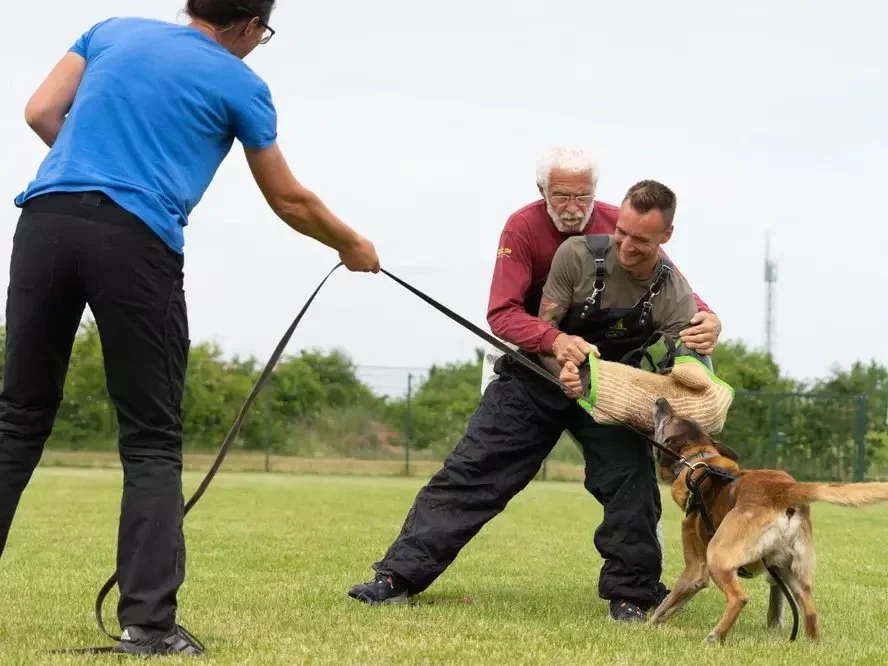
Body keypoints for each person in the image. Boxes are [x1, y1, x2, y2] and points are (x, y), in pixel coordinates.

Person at [1, 1, 378, 656]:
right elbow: (289, 199)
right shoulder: (240, 82)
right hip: (134, 240)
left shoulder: (110, 32)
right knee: (150, 439)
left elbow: (39, 111)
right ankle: (148, 626)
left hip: (46, 221)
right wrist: (349, 243)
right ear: (247, 26)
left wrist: (91, 169)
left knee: (17, 418)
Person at [347, 172, 711, 623]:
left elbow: (683, 300)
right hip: (537, 374)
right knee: (473, 472)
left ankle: (631, 596)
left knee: (630, 484)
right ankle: (397, 578)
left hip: (611, 386)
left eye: (583, 194)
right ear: (543, 191)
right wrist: (559, 352)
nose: (625, 243)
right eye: (562, 194)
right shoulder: (540, 237)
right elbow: (504, 314)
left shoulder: (635, 231)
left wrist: (710, 321)